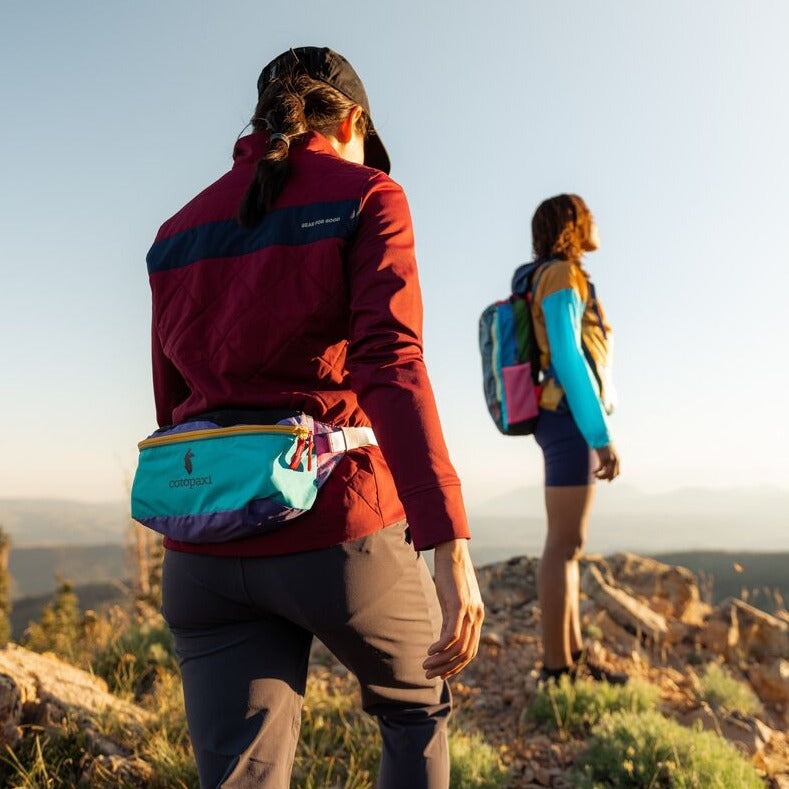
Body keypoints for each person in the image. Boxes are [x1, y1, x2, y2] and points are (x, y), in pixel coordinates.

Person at [146, 47, 484, 788]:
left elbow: (173, 408)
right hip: (338, 537)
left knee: (239, 774)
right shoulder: (369, 196)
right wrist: (447, 542)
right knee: (413, 711)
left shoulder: (174, 232)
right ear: (352, 121)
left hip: (205, 552)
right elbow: (391, 368)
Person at [511, 194, 624, 684]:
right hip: (567, 419)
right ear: (571, 225)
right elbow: (568, 358)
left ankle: (572, 657)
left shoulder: (560, 276)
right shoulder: (560, 276)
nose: (595, 220)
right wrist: (600, 436)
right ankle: (557, 669)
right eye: (588, 214)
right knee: (562, 545)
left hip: (560, 417)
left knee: (569, 544)